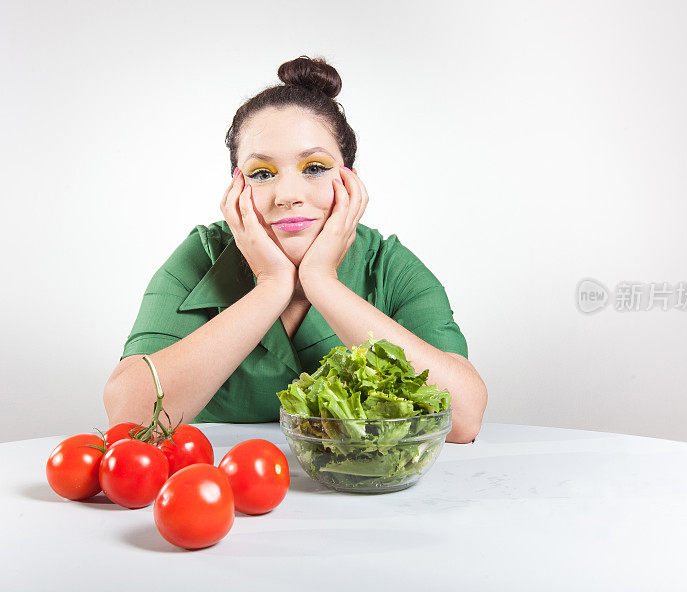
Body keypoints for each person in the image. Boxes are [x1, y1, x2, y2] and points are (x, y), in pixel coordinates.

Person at [103, 55, 487, 444]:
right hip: (216, 478)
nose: (288, 196)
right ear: (237, 188)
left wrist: (322, 282)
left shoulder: (388, 265)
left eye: (315, 167)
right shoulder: (200, 256)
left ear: (350, 180)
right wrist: (272, 286)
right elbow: (127, 416)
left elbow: (464, 419)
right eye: (262, 174)